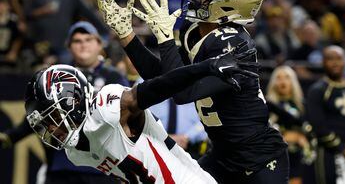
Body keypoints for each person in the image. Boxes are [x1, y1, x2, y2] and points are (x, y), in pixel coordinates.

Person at [95, 0, 289, 183]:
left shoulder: (235, 43)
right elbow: (164, 80)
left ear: (228, 6)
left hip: (259, 159)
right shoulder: (195, 31)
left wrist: (165, 39)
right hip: (223, 156)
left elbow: (182, 93)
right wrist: (127, 36)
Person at [24, 42, 257, 183]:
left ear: (72, 102)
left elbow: (158, 88)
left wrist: (207, 67)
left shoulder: (107, 109)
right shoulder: (75, 153)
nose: (52, 129)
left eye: (52, 118)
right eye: (45, 124)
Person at [0, 21, 128, 184]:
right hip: (63, 165)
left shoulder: (114, 77)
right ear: (69, 46)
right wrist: (10, 137)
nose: (83, 45)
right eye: (77, 41)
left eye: (88, 40)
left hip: (103, 167)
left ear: (99, 44)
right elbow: (40, 115)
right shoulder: (57, 77)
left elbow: (127, 118)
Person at [304, 46, 345, 184]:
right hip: (328, 152)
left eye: (339, 58)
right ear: (323, 62)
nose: (335, 63)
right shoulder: (317, 90)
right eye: (330, 59)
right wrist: (343, 149)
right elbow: (318, 126)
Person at [266, 65, 309, 184]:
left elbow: (310, 131)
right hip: (274, 158)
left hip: (298, 158)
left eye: (287, 77)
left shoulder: (302, 106)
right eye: (278, 78)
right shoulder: (266, 106)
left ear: (293, 81)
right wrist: (288, 136)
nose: (283, 81)